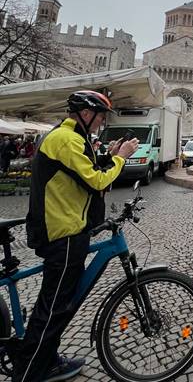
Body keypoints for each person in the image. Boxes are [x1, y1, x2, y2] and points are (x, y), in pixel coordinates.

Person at [12, 90, 139, 382]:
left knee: (60, 304)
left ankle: (48, 360)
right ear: (85, 114)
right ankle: (28, 373)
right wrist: (121, 159)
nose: (102, 122)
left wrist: (108, 155)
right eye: (100, 116)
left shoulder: (71, 138)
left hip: (69, 229)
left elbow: (83, 170)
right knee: (53, 310)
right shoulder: (66, 139)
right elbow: (96, 180)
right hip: (62, 234)